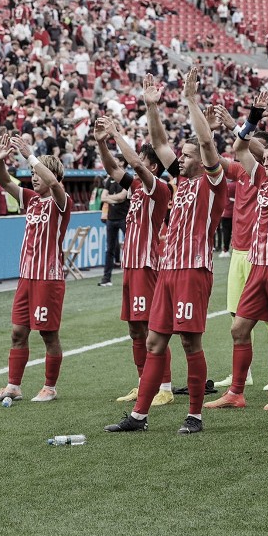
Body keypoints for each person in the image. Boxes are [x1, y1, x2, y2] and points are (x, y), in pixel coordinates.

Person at [105, 66, 228, 436]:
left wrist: (191, 101)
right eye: (183, 156)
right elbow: (159, 145)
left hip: (194, 270)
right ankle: (139, 417)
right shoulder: (180, 182)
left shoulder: (212, 182)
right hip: (169, 271)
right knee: (155, 339)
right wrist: (151, 106)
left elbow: (207, 147)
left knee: (190, 341)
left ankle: (195, 415)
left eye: (188, 155)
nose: (183, 160)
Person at [206, 89, 268, 413]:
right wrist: (253, 115)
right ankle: (236, 392)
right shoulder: (261, 178)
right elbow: (238, 147)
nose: (266, 162)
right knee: (238, 327)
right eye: (264, 159)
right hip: (257, 265)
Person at [0, 134, 72, 404]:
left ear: (50, 175)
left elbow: (54, 183)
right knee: (18, 332)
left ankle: (50, 387)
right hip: (26, 277)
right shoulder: (32, 199)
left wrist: (31, 156)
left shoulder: (61, 200)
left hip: (48, 278)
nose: (33, 177)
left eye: (37, 173)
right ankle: (13, 386)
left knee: (48, 334)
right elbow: (5, 181)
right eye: (32, 173)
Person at [93, 113, 174, 406]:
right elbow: (114, 169)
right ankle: (144, 384)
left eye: (140, 159)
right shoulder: (137, 188)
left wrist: (116, 133)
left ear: (152, 166)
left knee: (153, 328)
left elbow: (134, 164)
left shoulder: (158, 188)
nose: (134, 162)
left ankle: (163, 386)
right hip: (131, 265)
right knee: (134, 328)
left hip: (147, 265)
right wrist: (102, 143)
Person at [97, 173, 129, 287]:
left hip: (124, 218)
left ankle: (129, 278)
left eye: (116, 160)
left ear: (122, 163)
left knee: (130, 248)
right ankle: (106, 278)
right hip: (111, 218)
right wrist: (115, 199)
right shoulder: (109, 180)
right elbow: (103, 198)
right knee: (109, 249)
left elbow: (122, 197)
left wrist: (109, 198)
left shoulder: (126, 178)